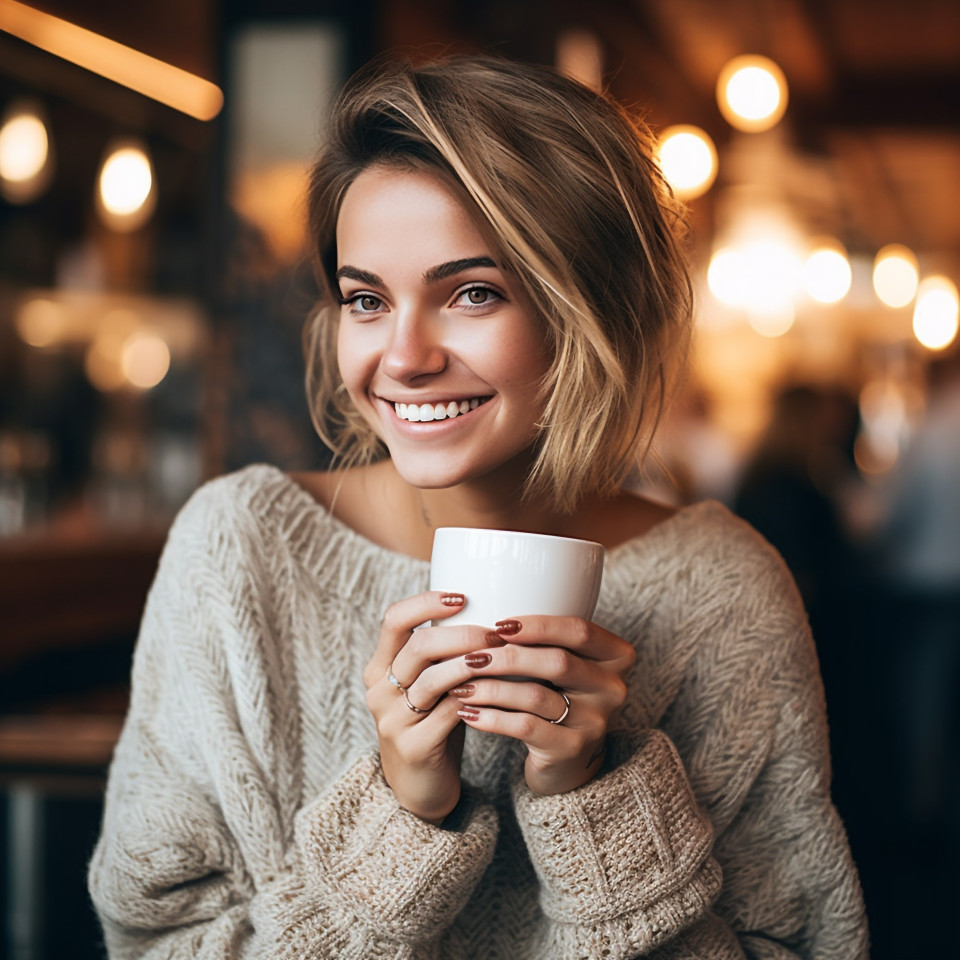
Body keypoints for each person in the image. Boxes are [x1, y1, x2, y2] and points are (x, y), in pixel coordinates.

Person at [88, 56, 868, 958]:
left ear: (593, 309)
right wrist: (400, 811)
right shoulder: (239, 551)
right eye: (367, 300)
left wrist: (592, 798)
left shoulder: (724, 590)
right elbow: (153, 942)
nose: (405, 355)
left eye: (472, 293)